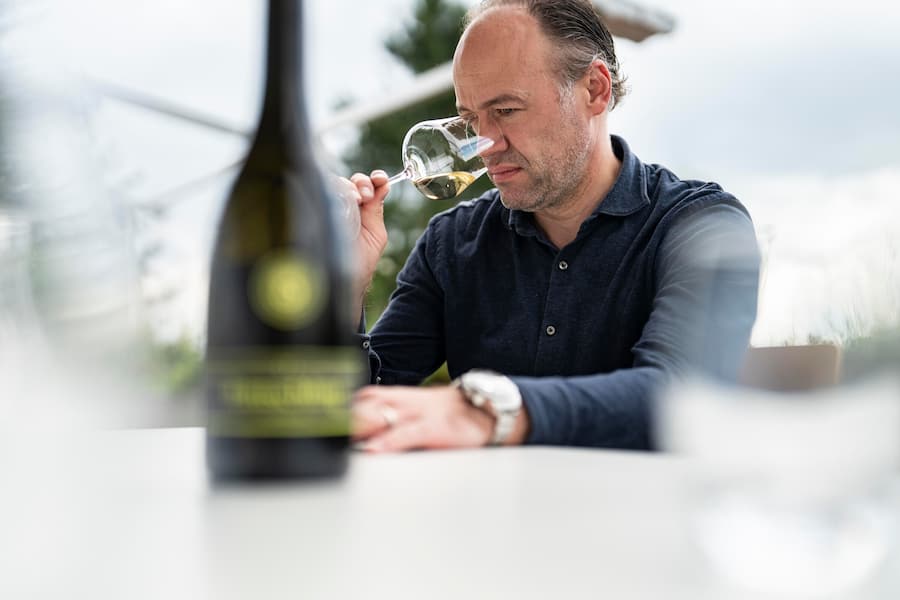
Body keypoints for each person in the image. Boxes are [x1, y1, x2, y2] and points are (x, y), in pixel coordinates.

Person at [343, 0, 760, 452]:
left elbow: (681, 399)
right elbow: (348, 408)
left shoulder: (701, 227)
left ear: (595, 89)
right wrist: (344, 284)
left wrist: (486, 412)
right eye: (469, 120)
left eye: (506, 110)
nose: (484, 146)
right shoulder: (451, 244)